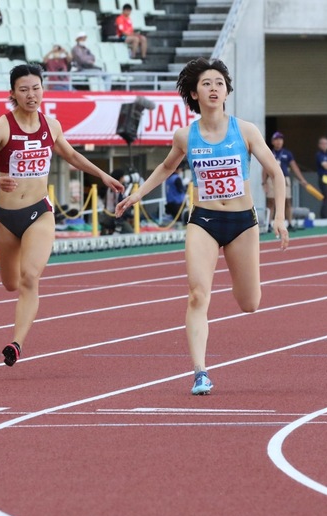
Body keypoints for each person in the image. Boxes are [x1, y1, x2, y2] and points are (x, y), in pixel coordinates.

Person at [116, 57, 289, 395]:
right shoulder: (185, 135)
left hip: (242, 223)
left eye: (219, 84)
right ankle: (200, 372)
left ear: (227, 92)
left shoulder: (246, 130)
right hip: (204, 221)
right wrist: (137, 196)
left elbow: (276, 172)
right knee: (198, 295)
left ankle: (241, 284)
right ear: (194, 93)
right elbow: (166, 168)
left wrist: (279, 216)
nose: (213, 88)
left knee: (249, 303)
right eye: (207, 84)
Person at [0, 63, 124, 366]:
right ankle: (17, 323)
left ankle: (16, 343)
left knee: (30, 278)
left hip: (39, 212)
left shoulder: (50, 125)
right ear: (13, 93)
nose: (31, 94)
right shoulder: (2, 126)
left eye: (36, 88)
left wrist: (103, 175)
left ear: (43, 89)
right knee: (11, 284)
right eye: (24, 89)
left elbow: (72, 155)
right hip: (4, 216)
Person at [265, 131, 308, 231]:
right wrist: (264, 182)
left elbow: (294, 167)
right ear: (272, 142)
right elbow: (265, 168)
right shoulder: (270, 153)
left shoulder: (287, 154)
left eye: (280, 140)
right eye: (276, 140)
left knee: (287, 201)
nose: (279, 142)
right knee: (271, 201)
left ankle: (290, 223)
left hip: (284, 178)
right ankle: (269, 224)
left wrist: (302, 179)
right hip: (272, 178)